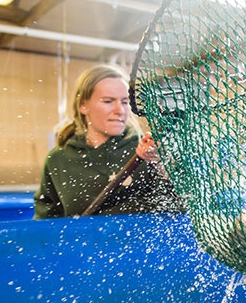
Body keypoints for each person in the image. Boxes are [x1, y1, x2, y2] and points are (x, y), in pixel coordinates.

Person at [34, 64, 184, 218]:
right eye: (108, 101)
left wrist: (161, 166)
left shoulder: (149, 151)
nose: (120, 110)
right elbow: (45, 221)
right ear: (83, 105)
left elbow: (179, 206)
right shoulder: (58, 160)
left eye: (125, 102)